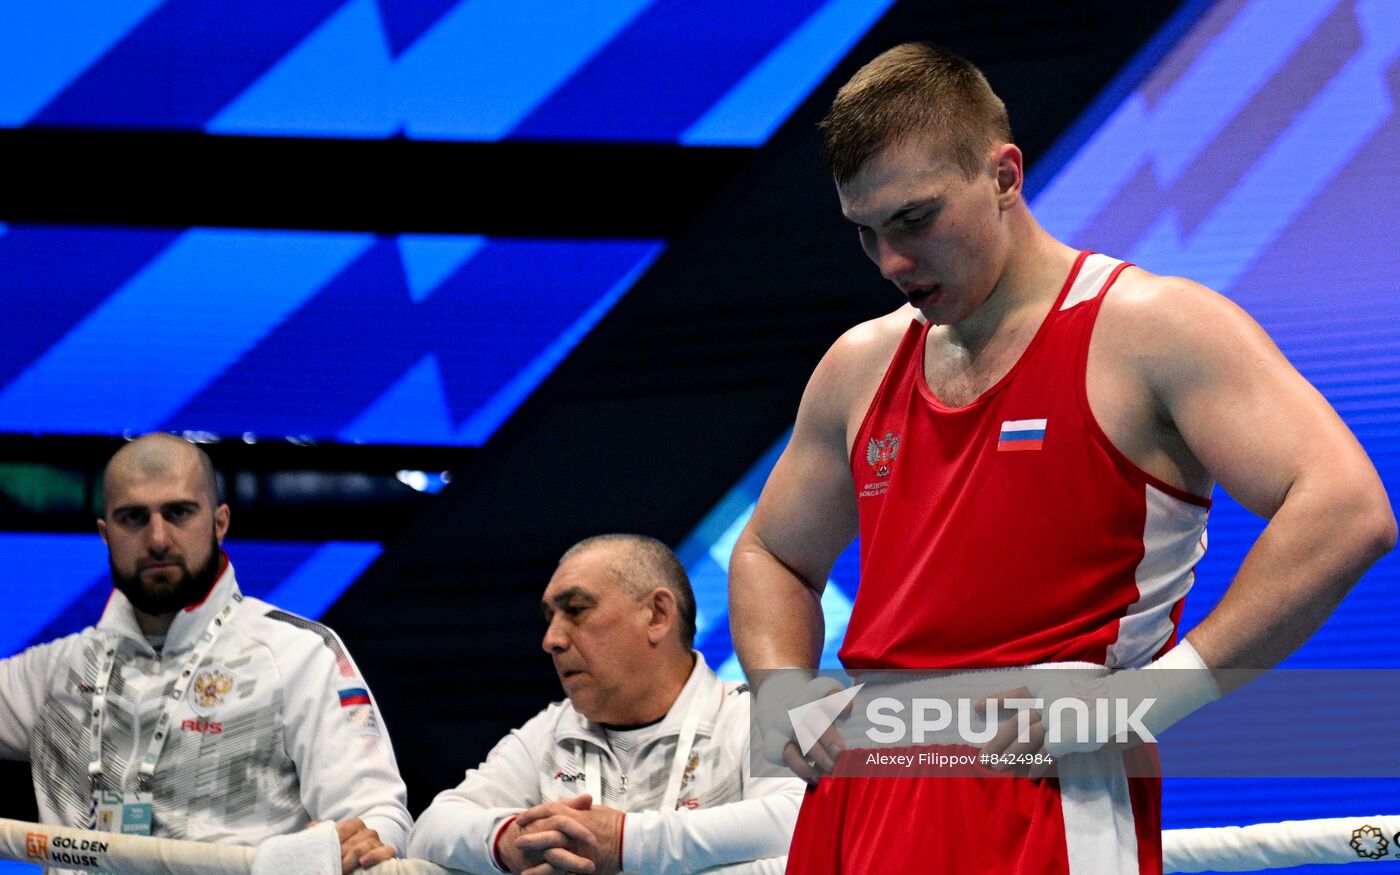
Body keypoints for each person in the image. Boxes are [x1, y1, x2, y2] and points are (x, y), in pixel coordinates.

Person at [727, 42, 1396, 874]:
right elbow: (771, 552)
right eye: (866, 233)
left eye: (915, 219)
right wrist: (781, 686)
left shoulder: (1152, 328)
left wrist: (1148, 699)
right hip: (862, 797)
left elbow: (1347, 508)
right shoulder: (861, 364)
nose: (893, 263)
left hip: (1045, 795)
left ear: (1004, 175)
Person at [0, 433, 411, 874]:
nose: (157, 538)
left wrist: (345, 850)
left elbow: (378, 820)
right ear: (105, 534)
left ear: (219, 522)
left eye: (178, 513)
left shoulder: (300, 654)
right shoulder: (55, 672)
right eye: (133, 518)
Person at [409, 534, 804, 874]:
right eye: (549, 617)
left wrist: (622, 842)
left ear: (657, 614)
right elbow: (429, 831)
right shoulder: (548, 731)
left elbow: (802, 822)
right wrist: (512, 841)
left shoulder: (764, 710)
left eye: (576, 610)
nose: (551, 640)